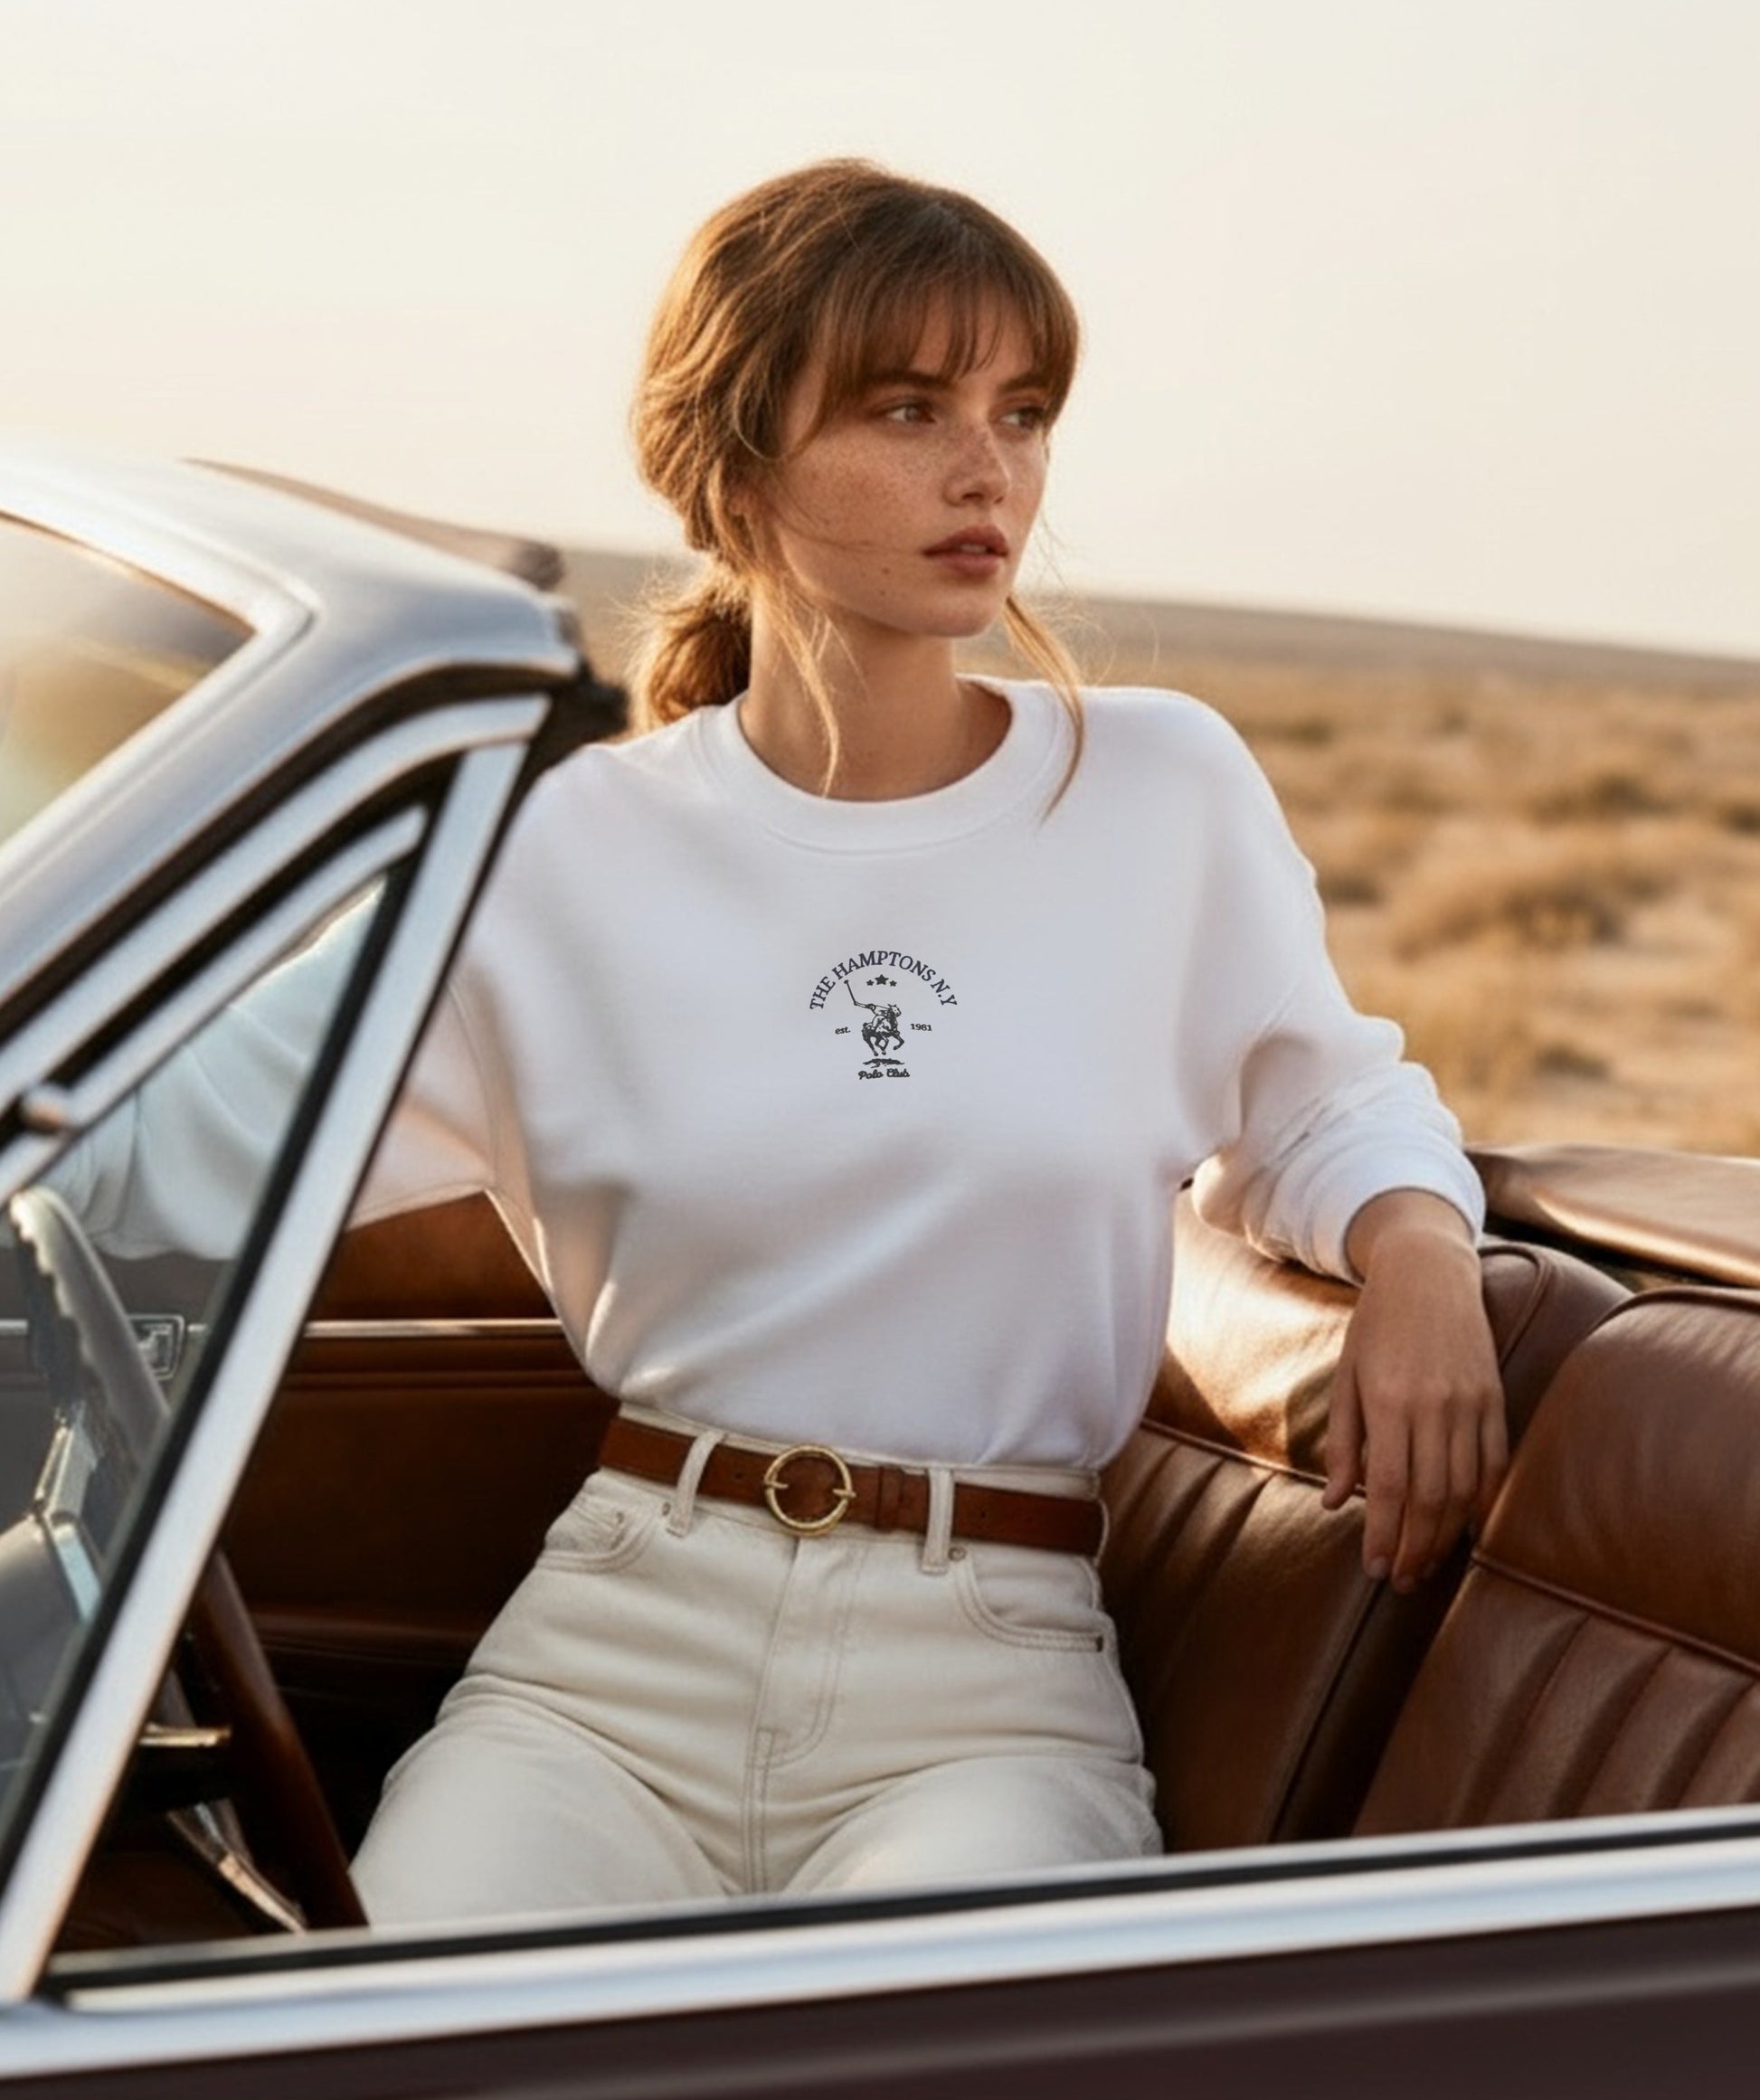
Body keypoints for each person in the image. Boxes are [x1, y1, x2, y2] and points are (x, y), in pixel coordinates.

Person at [336, 159, 1507, 1921]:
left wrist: (1424, 1252)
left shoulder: (1154, 788)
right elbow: (231, 1147)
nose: (991, 471)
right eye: (910, 408)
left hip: (984, 1679)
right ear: (732, 462)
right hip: (607, 1655)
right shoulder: (564, 845)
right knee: (374, 2059)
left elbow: (1325, 1101)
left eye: (1022, 412)